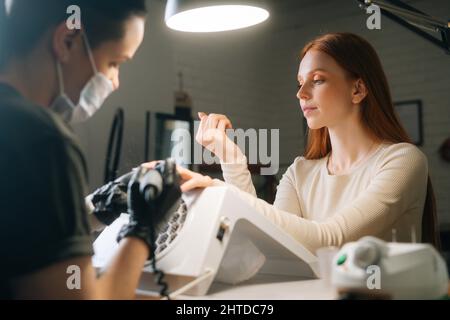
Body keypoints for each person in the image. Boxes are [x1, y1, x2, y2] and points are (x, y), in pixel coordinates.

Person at [0, 0, 188, 300]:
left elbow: (20, 231)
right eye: (115, 63)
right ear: (67, 40)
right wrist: (143, 228)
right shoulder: (43, 140)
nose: (115, 82)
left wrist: (97, 207)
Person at [190, 32, 440, 253]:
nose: (301, 93)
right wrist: (231, 160)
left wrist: (221, 190)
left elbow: (332, 239)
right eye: (300, 83)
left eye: (317, 80)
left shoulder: (403, 160)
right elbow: (268, 245)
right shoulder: (300, 173)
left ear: (358, 89)